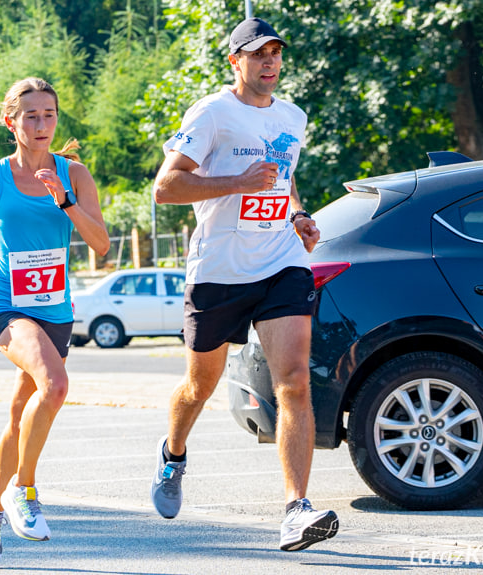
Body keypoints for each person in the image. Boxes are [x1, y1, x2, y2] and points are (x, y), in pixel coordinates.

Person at [149, 18, 338, 551]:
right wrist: (237, 182)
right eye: (257, 55)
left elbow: (284, 176)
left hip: (281, 261)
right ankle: (174, 453)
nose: (269, 63)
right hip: (219, 271)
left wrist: (298, 214)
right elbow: (166, 188)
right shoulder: (212, 113)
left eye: (275, 54)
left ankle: (295, 509)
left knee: (294, 382)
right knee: (198, 387)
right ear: (235, 61)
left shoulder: (293, 117)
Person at [0, 77, 110, 568]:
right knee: (54, 386)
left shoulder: (73, 175)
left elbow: (101, 245)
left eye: (49, 115)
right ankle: (23, 491)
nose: (41, 124)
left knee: (19, 416)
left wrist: (66, 201)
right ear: (10, 121)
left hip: (56, 312)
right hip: (8, 307)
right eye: (30, 116)